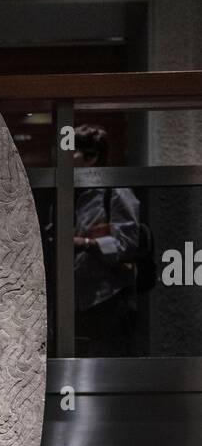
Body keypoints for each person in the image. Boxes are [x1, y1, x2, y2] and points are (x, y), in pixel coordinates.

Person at [73, 124, 140, 356]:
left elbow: (128, 243)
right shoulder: (70, 194)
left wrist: (87, 244)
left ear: (91, 158)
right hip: (81, 298)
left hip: (111, 297)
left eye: (74, 151)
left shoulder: (115, 192)